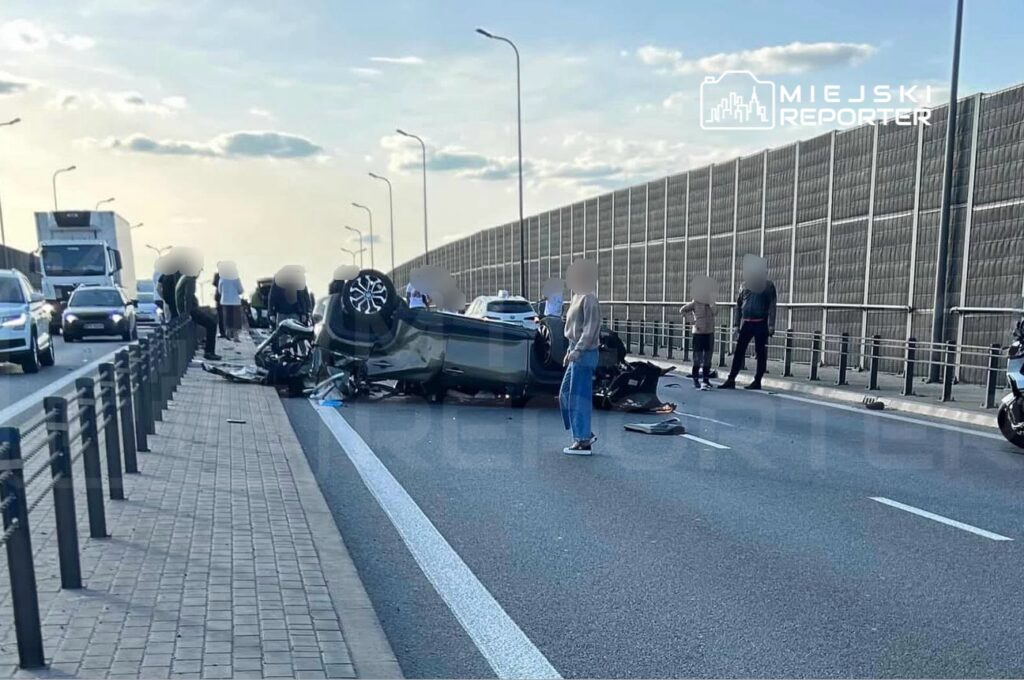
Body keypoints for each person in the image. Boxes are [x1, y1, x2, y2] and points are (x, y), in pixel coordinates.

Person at [560, 260, 601, 456]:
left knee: (578, 397)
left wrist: (577, 350)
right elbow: (574, 329)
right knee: (566, 394)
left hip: (584, 353)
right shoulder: (576, 296)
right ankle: (583, 432)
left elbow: (591, 329)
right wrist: (571, 350)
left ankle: (583, 439)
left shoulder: (589, 298)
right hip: (575, 350)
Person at [719, 255, 777, 390]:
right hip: (747, 323)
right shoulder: (744, 285)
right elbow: (738, 305)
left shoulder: (768, 286)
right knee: (739, 351)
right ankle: (731, 379)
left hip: (761, 323)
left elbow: (772, 306)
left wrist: (771, 325)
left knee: (760, 352)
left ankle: (757, 380)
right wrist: (735, 325)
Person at [175, 258, 221, 361]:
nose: (199, 273)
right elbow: (187, 297)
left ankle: (208, 350)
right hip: (190, 310)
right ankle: (209, 352)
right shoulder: (190, 278)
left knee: (210, 321)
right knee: (212, 324)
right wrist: (186, 314)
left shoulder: (185, 277)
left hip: (186, 310)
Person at [680, 276, 717, 390]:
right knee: (697, 357)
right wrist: (692, 321)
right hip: (698, 332)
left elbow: (715, 312)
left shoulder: (711, 302)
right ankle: (695, 379)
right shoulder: (695, 302)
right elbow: (682, 310)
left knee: (708, 357)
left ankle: (706, 379)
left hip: (709, 332)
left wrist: (711, 304)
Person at [217, 262, 244, 341]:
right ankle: (236, 336)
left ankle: (228, 334)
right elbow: (240, 290)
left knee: (227, 319)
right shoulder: (236, 278)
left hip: (225, 301)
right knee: (236, 319)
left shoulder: (222, 278)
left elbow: (219, 290)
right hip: (235, 301)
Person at [212, 268, 226, 339]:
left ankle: (222, 332)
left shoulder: (217, 275)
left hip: (219, 297)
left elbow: (214, 283)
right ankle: (225, 332)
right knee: (224, 316)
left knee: (220, 316)